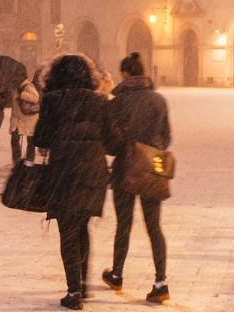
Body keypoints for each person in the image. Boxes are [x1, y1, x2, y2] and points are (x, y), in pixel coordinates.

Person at [32, 54, 114, 310]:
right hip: (92, 172)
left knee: (68, 231)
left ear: (56, 75)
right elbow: (111, 142)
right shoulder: (100, 101)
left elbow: (41, 140)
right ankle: (83, 284)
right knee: (82, 227)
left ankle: (73, 290)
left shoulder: (53, 100)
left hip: (64, 171)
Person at [101, 52, 172, 304]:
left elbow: (109, 143)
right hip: (152, 167)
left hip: (125, 169)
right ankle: (160, 282)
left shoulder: (116, 103)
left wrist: (127, 149)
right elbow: (166, 137)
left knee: (124, 224)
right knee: (154, 226)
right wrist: (149, 148)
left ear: (125, 74)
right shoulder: (159, 100)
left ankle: (117, 274)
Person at [9, 67, 41, 165]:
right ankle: (17, 162)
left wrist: (22, 95)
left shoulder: (27, 86)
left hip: (29, 118)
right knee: (14, 140)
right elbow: (10, 102)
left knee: (30, 141)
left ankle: (29, 163)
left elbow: (36, 97)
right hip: (17, 118)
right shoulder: (12, 87)